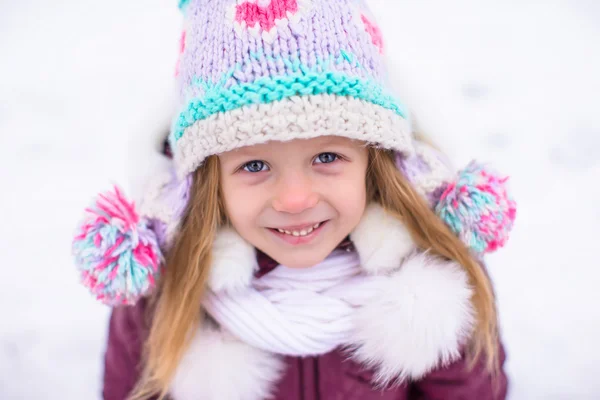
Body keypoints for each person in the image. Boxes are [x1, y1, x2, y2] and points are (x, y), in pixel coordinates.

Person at [72, 0, 516, 399]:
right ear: (208, 182)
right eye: (254, 166)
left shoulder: (433, 277)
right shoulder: (166, 289)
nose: (295, 198)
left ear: (374, 163)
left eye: (326, 156)